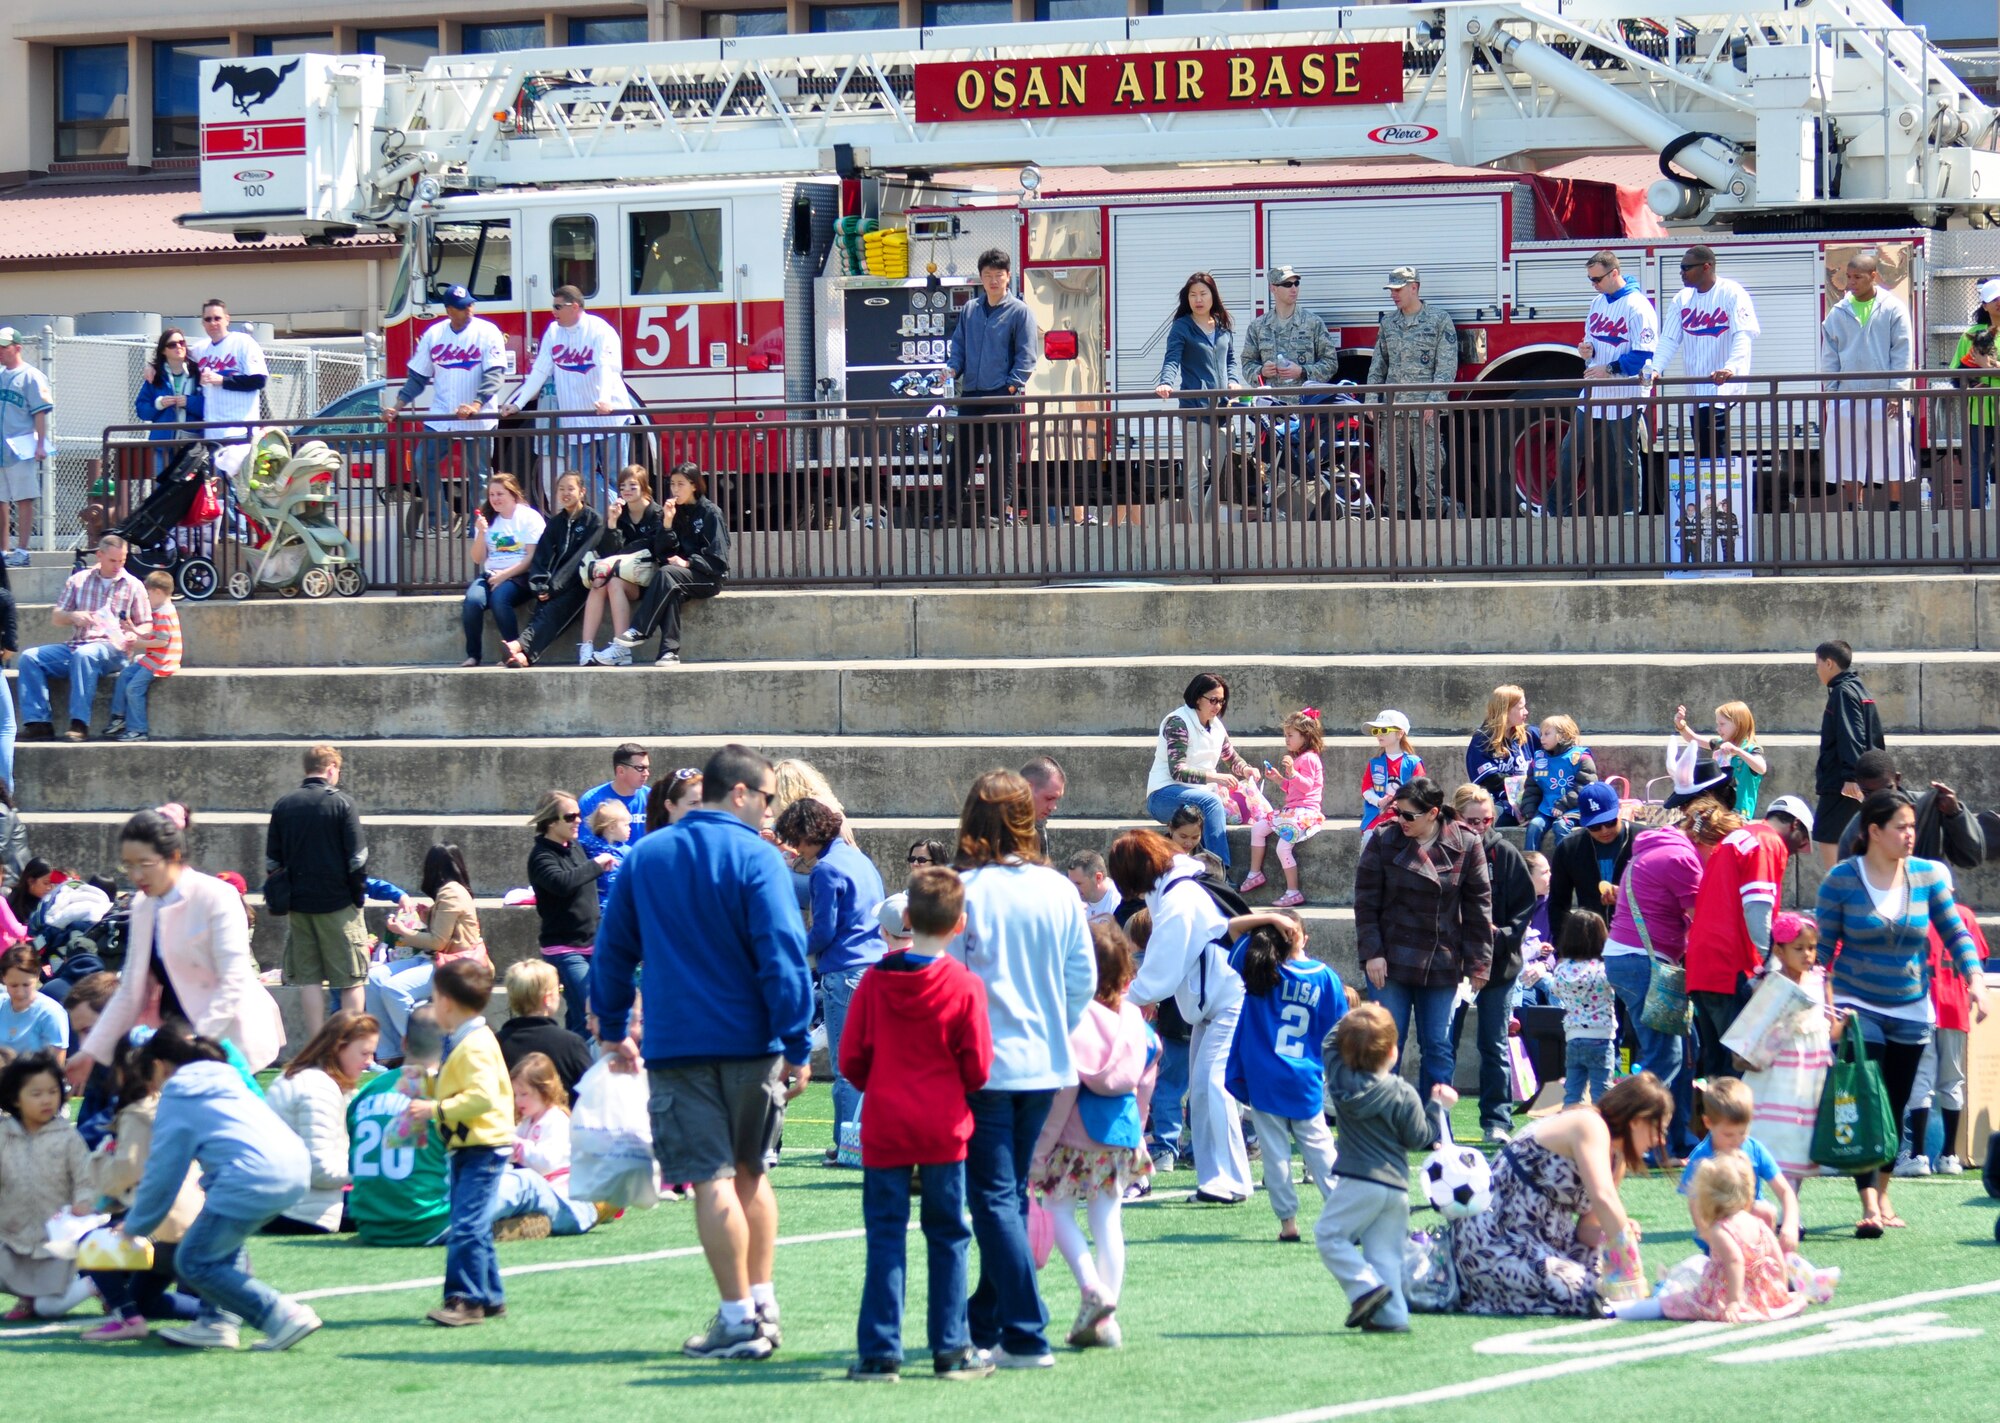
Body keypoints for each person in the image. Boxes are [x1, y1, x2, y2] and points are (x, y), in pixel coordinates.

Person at [591, 744, 814, 1362]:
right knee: (751, 1173)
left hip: (680, 1043)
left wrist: (611, 1026)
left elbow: (613, 952)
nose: (771, 811)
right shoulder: (758, 859)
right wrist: (797, 1041)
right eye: (767, 798)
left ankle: (739, 1316)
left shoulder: (648, 855)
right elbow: (782, 958)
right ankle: (759, 1304)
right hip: (752, 1045)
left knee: (713, 1179)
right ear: (739, 793)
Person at [943, 769, 1095, 1368]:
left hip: (986, 1065)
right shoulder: (1057, 888)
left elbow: (947, 983)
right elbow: (1082, 977)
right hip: (1045, 1064)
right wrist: (1052, 1024)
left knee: (994, 1200)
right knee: (1006, 1195)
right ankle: (986, 1319)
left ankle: (1026, 1330)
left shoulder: (965, 889)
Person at [840, 864, 994, 1383]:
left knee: (884, 1235)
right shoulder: (964, 984)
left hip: (885, 1122)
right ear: (960, 925)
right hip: (943, 1125)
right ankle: (950, 1348)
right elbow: (977, 1066)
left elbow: (851, 1059)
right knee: (949, 1235)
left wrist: (882, 1084)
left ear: (905, 918)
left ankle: (880, 1352)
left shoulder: (875, 981)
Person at [1815, 788, 1990, 1237]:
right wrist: (1824, 1005)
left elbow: (1956, 933)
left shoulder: (1927, 877)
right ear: (1874, 831)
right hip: (1857, 1006)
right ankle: (1869, 1201)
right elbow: (1820, 953)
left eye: (1913, 826)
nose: (1911, 835)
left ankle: (1885, 1189)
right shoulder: (1842, 879)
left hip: (1913, 1007)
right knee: (1868, 1102)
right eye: (1901, 827)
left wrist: (1976, 980)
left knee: (1893, 1106)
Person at [1116, 828, 1294, 1204]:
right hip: (1213, 1000)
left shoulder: (1181, 896)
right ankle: (1215, 1179)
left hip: (1229, 996)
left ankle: (1232, 1181)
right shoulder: (1177, 885)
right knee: (1201, 1090)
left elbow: (1162, 968)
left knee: (1216, 1087)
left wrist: (1126, 999)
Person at [121, 1022, 319, 1350]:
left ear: (158, 1065)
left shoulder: (179, 1092)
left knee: (193, 1261)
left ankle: (282, 1315)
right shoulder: (227, 1079)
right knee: (226, 1242)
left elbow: (163, 1173)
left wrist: (135, 1226)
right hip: (295, 1167)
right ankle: (217, 1322)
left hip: (251, 1176)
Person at [71, 810, 284, 1091]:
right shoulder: (143, 905)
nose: (135, 876)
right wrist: (91, 1052)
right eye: (128, 866)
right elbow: (131, 990)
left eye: (144, 864)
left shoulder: (217, 896)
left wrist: (195, 1042)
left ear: (173, 856)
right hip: (173, 1040)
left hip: (227, 1040)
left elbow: (233, 982)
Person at [1029, 920, 1157, 1351]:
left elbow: (1065, 1089)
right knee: (1108, 1221)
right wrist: (1138, 1132)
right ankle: (1108, 1319)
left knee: (1058, 1209)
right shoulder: (1135, 1018)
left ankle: (1091, 1289)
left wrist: (1041, 1150)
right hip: (1120, 1132)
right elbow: (1145, 1082)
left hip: (1073, 1136)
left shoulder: (1075, 1018)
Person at [1453, 1073, 1671, 1316]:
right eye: (1658, 1130)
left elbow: (1586, 1231)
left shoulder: (1616, 1157)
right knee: (1590, 1293)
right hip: (1497, 1239)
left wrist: (1614, 1230)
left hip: (1545, 1243)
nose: (1660, 1140)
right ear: (1637, 1120)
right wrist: (1626, 1248)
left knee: (1602, 1280)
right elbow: (1603, 1197)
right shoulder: (1590, 1125)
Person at [1352, 776, 1493, 1100]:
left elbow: (1479, 907)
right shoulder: (1383, 840)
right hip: (1389, 959)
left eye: (1408, 815)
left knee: (1438, 1046)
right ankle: (1383, 1122)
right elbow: (1365, 901)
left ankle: (1436, 1126)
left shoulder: (1468, 843)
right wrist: (1372, 952)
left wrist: (1478, 964)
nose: (1400, 820)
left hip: (1441, 960)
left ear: (1432, 813)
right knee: (1386, 1045)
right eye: (1397, 812)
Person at [1316, 1005, 1451, 1334]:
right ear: (1394, 1051)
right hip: (1396, 1187)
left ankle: (1365, 1287)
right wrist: (1438, 1107)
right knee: (1385, 1254)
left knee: (1329, 1235)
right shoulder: (1404, 1092)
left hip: (1359, 1181)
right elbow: (1419, 1137)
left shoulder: (1339, 1079)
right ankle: (1392, 1317)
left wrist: (1355, 1016)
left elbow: (1328, 1045)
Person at [771, 796, 885, 1163]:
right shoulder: (857, 858)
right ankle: (870, 1139)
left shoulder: (826, 869)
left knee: (847, 1068)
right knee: (871, 1063)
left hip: (844, 972)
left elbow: (822, 933)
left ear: (808, 835)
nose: (798, 850)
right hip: (874, 969)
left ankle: (847, 1146)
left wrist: (786, 950)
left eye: (797, 841)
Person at [401, 958, 514, 1327]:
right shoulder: (464, 1040)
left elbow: (481, 1097)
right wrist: (431, 1082)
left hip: (483, 1146)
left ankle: (465, 1301)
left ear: (446, 1002)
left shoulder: (474, 1044)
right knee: (474, 1223)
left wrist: (436, 1108)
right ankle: (491, 1296)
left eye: (433, 998)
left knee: (465, 1224)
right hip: (472, 1144)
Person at [80, 1029, 205, 1340]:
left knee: (90, 1243)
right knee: (146, 1298)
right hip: (196, 1217)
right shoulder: (174, 1103)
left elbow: (129, 1170)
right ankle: (215, 1309)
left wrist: (99, 1162)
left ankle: (128, 1320)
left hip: (163, 1224)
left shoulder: (138, 1112)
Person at [1225, 918, 1342, 1243]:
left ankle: (1288, 1223)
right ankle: (1345, 1215)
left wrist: (1272, 919)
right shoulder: (1326, 978)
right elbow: (1339, 1030)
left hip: (1264, 1077)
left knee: (1275, 1155)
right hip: (1304, 1077)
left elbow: (1233, 927)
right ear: (1305, 936)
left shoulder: (1261, 970)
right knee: (1321, 1150)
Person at [1684, 800, 1813, 1077]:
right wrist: (1773, 963)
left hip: (1702, 965)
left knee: (1715, 1071)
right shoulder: (1768, 842)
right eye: (1801, 842)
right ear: (1794, 826)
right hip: (1730, 967)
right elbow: (1758, 908)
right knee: (1740, 1071)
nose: (1795, 852)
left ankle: (1711, 1121)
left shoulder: (1738, 838)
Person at [265, 744, 369, 1039]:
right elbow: (357, 859)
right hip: (337, 904)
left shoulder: (284, 804)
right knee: (350, 979)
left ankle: (316, 1045)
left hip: (299, 905)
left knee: (309, 980)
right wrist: (356, 896)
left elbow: (272, 860)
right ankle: (349, 1044)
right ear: (331, 768)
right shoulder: (342, 804)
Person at [1454, 783, 1538, 1144]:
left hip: (1499, 965)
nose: (1480, 826)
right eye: (1472, 820)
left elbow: (1524, 907)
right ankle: (1431, 1119)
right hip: (1454, 965)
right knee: (1443, 1043)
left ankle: (1497, 1120)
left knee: (1494, 1044)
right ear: (1457, 817)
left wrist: (1500, 934)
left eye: (1487, 819)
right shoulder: (1444, 851)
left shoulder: (1504, 852)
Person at [388, 282, 509, 532]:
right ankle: (441, 516)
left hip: (478, 417)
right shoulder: (434, 334)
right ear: (449, 310)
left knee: (480, 475)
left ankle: (480, 524)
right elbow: (418, 377)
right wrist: (397, 406)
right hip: (442, 416)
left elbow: (495, 374)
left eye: (470, 305)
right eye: (463, 307)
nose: (469, 310)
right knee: (423, 461)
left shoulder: (487, 331)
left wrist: (476, 403)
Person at [502, 284, 633, 501]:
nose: (553, 311)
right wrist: (518, 403)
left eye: (557, 306)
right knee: (583, 479)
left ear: (574, 307)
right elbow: (540, 371)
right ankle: (612, 518)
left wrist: (603, 399)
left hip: (610, 418)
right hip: (577, 422)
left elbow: (606, 367)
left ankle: (616, 527)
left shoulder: (600, 329)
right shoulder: (553, 332)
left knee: (617, 477)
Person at [18, 534, 150, 744]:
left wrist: (134, 633)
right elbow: (57, 617)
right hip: (77, 645)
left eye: (122, 560)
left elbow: (147, 623)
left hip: (113, 649)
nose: (118, 566)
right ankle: (38, 723)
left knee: (85, 654)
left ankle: (79, 723)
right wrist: (73, 616)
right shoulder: (78, 580)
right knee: (30, 657)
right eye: (113, 560)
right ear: (99, 555)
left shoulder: (134, 585)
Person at [1557, 252, 1657, 516]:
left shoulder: (1638, 306)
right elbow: (1591, 339)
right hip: (1594, 390)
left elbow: (1644, 354)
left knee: (1624, 455)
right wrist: (1585, 348)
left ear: (1614, 273)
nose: (1594, 285)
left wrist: (1610, 368)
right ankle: (1555, 508)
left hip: (1626, 391)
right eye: (1590, 280)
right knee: (1570, 449)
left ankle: (1629, 512)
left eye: (1597, 279)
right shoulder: (1597, 302)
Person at [261, 1010, 379, 1234]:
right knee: (397, 1204)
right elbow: (321, 1170)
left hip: (281, 1205)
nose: (369, 1063)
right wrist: (374, 1173)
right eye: (365, 1053)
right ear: (338, 1047)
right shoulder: (318, 1089)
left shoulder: (311, 1079)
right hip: (299, 1213)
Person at [1742, 913, 1838, 1185]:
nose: (1807, 954)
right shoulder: (1768, 982)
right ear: (1779, 951)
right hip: (1777, 1069)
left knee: (1800, 1136)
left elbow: (1831, 1027)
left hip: (1812, 1071)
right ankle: (1759, 1202)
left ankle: (1790, 1210)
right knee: (1772, 1131)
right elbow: (1754, 1027)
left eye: (1812, 947)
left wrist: (1850, 1021)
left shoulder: (1820, 980)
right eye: (1799, 948)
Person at [368, 843, 486, 1063]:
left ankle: (424, 1050)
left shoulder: (451, 893)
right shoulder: (451, 890)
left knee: (394, 990)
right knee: (375, 978)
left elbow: (438, 942)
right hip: (436, 958)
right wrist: (427, 918)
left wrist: (403, 932)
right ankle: (389, 1054)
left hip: (453, 966)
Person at [601, 463, 728, 667]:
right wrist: (667, 524)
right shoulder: (674, 512)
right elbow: (663, 553)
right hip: (678, 576)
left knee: (668, 575)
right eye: (672, 484)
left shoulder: (710, 512)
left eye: (681, 484)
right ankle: (669, 652)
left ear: (694, 485)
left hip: (708, 576)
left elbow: (718, 559)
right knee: (670, 585)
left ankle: (640, 630)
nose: (675, 490)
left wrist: (688, 562)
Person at [946, 247, 1038, 527]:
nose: (994, 281)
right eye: (988, 275)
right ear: (981, 279)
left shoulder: (1020, 311)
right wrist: (952, 368)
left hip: (1001, 395)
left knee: (1002, 460)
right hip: (971, 395)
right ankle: (949, 513)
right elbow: (959, 346)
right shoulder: (971, 310)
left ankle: (998, 513)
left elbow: (1027, 354)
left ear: (1008, 277)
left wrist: (1012, 386)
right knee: (959, 458)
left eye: (999, 275)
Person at [345, 1008, 451, 1249]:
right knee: (523, 1183)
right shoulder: (447, 1094)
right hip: (430, 1223)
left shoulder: (368, 1091)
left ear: (404, 1043)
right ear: (445, 1047)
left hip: (369, 1224)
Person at [0, 1050, 92, 1320]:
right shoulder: (3, 1135)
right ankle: (26, 1296)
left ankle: (95, 1285)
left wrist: (84, 1201)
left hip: (57, 1244)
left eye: (52, 1092)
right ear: (15, 1097)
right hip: (12, 1237)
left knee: (48, 1308)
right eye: (36, 1093)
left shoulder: (68, 1137)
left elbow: (86, 1177)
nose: (47, 1100)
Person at [1645, 245, 1760, 460]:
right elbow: (1669, 339)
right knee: (1703, 445)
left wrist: (1730, 367)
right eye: (1681, 268)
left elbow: (1743, 335)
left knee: (1714, 446)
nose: (1681, 273)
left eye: (1686, 268)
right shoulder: (1682, 299)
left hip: (1722, 385)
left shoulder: (1732, 292)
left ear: (1706, 267)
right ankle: (1711, 492)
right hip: (1696, 386)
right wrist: (1656, 368)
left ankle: (1719, 492)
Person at [1821, 250, 1916, 508]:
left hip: (1885, 393)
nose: (1851, 283)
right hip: (1846, 394)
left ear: (1873, 276)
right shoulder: (1838, 311)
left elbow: (1903, 351)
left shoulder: (1893, 307)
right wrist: (1831, 393)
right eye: (1849, 277)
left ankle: (1895, 508)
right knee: (1848, 454)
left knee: (1893, 451)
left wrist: (1897, 391)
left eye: (1857, 277)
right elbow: (1829, 355)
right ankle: (1856, 508)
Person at [1663, 1154, 1805, 1323]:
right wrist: (1780, 1292)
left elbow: (1735, 1262)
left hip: (1729, 1294)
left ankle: (1632, 1305)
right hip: (1763, 1296)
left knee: (1675, 1301)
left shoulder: (1721, 1229)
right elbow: (1778, 1259)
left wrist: (1733, 1303)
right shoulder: (1758, 1223)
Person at [1366, 265, 1459, 518]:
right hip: (1393, 411)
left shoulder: (1438, 320)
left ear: (1414, 287)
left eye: (1398, 289)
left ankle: (1431, 522)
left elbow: (1447, 366)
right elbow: (1378, 366)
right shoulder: (1388, 323)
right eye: (1391, 290)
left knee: (1429, 468)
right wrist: (1372, 398)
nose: (1393, 295)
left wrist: (1434, 401)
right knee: (1392, 470)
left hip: (1424, 411)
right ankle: (1394, 524)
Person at [1145, 672, 1257, 873]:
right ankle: (1219, 873)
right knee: (1212, 803)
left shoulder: (1216, 726)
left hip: (1200, 795)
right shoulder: (1178, 722)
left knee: (1222, 808)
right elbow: (1177, 771)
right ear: (1197, 698)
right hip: (1163, 794)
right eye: (1213, 700)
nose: (1218, 706)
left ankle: (1204, 871)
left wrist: (1246, 769)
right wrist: (1215, 777)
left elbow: (1230, 757)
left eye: (1221, 701)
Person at [1677, 1076, 1802, 1256]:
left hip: (1752, 1231)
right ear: (1708, 1123)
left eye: (1742, 1132)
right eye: (1728, 1134)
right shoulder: (1701, 1157)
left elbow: (1785, 1192)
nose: (1736, 1140)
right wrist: (1715, 1241)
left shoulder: (1754, 1149)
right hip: (1717, 1236)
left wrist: (1790, 1224)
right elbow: (1696, 1208)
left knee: (1764, 1211)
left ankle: (1772, 1267)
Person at [1154, 272, 1243, 519]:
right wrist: (1165, 383)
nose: (1198, 299)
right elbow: (1172, 358)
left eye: (1203, 294)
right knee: (1197, 473)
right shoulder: (1182, 326)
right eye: (1193, 295)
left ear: (1213, 296)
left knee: (1224, 472)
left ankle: (1206, 522)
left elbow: (1231, 360)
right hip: (1195, 409)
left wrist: (1234, 381)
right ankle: (1200, 529)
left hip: (1224, 408)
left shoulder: (1223, 325)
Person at [527, 790, 613, 1038]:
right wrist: (595, 865)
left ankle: (572, 1070)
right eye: (570, 816)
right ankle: (580, 1068)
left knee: (578, 1016)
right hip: (565, 949)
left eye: (578, 814)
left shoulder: (574, 847)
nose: (578, 820)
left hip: (592, 944)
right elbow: (562, 883)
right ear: (551, 822)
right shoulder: (541, 856)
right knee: (590, 1008)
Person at [500, 471, 605, 667]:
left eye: (570, 489)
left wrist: (555, 586)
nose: (565, 493)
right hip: (554, 584)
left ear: (582, 492)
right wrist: (539, 584)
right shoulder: (556, 523)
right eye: (561, 489)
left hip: (581, 582)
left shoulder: (594, 521)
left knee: (556, 608)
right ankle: (524, 657)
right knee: (542, 611)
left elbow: (580, 557)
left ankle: (517, 646)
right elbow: (542, 556)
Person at [1833, 749, 1985, 869]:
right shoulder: (1855, 831)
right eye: (1869, 794)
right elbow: (1845, 883)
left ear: (1897, 780)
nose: (1880, 799)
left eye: (1886, 789)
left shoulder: (1928, 809)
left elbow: (1971, 859)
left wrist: (1955, 814)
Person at [579, 466, 665, 664]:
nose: (626, 490)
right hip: (620, 575)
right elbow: (608, 552)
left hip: (647, 578)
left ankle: (621, 649)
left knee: (613, 581)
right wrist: (612, 523)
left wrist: (621, 556)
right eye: (622, 486)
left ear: (644, 488)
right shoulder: (620, 514)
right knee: (601, 581)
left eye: (632, 485)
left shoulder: (656, 513)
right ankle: (586, 646)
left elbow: (653, 547)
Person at [1242, 707, 1327, 906]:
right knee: (1258, 828)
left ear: (1305, 737)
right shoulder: (1300, 758)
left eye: (1290, 735)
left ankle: (1293, 891)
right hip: (1293, 810)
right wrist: (1279, 778)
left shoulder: (1309, 758)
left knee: (1282, 847)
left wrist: (1292, 772)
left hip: (1306, 812)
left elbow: (1306, 787)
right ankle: (1255, 873)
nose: (1286, 739)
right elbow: (1292, 789)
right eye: (1285, 735)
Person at [459, 473, 545, 667]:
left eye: (500, 494)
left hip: (519, 575)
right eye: (491, 494)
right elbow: (477, 558)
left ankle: (512, 651)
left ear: (513, 494)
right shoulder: (487, 518)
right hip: (491, 574)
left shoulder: (529, 517)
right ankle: (473, 655)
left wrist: (505, 575)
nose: (495, 499)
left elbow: (531, 557)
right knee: (472, 601)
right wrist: (481, 533)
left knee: (500, 599)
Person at [1813, 639, 1884, 869]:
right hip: (1862, 779)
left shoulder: (1843, 692)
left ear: (1830, 663)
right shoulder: (1859, 688)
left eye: (1818, 664)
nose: (1817, 670)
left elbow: (1851, 734)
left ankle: (1838, 894)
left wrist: (1851, 776)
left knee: (1828, 835)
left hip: (1842, 784)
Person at [187, 299, 269, 486]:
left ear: (227, 319)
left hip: (240, 431)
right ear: (202, 323)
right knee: (218, 492)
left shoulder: (243, 342)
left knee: (241, 490)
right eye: (208, 319)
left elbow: (258, 380)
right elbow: (173, 354)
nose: (213, 323)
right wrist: (152, 365)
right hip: (212, 433)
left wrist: (222, 380)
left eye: (217, 318)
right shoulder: (201, 348)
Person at [1546, 782, 1634, 949]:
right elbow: (1558, 904)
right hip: (1591, 944)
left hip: (1635, 940)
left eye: (1609, 822)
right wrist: (1562, 950)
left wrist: (1625, 896)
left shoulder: (1641, 840)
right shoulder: (1569, 848)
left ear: (1619, 812)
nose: (1604, 830)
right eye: (1594, 826)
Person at [496, 961, 594, 1099]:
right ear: (547, 999)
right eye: (559, 990)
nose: (560, 994)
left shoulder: (496, 1043)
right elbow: (591, 1092)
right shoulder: (571, 1044)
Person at [105, 569, 180, 743]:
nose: (147, 600)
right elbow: (155, 635)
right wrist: (134, 630)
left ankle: (138, 729)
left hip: (162, 661)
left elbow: (162, 642)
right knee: (125, 675)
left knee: (133, 689)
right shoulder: (161, 609)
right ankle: (118, 717)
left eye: (148, 595)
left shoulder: (164, 613)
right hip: (154, 657)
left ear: (158, 592)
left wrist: (138, 644)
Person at [1553, 913, 1616, 1106]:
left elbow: (1556, 991)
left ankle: (1568, 1131)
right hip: (1601, 1037)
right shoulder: (1604, 969)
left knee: (1572, 1091)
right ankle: (1603, 1132)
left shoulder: (1561, 969)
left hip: (1573, 1037)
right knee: (1601, 1094)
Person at [0, 327, 50, 569]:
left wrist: (40, 444)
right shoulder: (0, 376)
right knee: (1, 500)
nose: (0, 351)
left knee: (24, 498)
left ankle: (22, 549)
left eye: (4, 346)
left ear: (17, 347)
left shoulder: (31, 376)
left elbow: (40, 413)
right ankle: (3, 550)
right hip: (1, 447)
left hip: (20, 446)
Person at [1953, 277, 2000, 509]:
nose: (1999, 302)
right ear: (1984, 305)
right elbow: (1955, 374)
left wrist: (1987, 367)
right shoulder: (1970, 334)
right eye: (1994, 299)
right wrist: (1973, 383)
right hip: (1978, 413)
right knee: (1977, 466)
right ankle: (1979, 518)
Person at [1519, 714, 1598, 854]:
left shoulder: (1580, 758)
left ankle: (1567, 866)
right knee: (1534, 826)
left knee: (1561, 826)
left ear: (1563, 736)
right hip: (1547, 808)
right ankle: (1530, 867)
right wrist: (1529, 812)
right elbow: (1532, 788)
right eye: (1541, 734)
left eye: (1547, 734)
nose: (1541, 738)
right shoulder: (1539, 759)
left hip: (1574, 808)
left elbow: (1584, 787)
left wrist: (1563, 804)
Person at [1675, 700, 1766, 817]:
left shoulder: (1751, 750)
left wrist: (1738, 751)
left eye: (1722, 724)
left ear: (1739, 724)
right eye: (1717, 724)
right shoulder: (1720, 745)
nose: (1718, 729)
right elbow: (1692, 738)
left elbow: (1761, 768)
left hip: (1738, 815)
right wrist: (1681, 725)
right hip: (1717, 811)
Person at [1467, 684, 1534, 826]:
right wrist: (1529, 783)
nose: (1526, 712)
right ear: (1505, 710)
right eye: (1521, 708)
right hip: (1499, 802)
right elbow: (1493, 781)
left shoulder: (1529, 734)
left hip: (1531, 798)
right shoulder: (1482, 739)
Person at [135, 327, 205, 455]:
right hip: (161, 446)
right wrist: (159, 404)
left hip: (191, 446)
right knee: (160, 475)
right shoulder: (155, 376)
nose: (178, 347)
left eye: (181, 343)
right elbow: (141, 410)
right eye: (172, 345)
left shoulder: (198, 374)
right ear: (163, 350)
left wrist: (189, 402)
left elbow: (209, 405)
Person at [1358, 709, 1422, 838]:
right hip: (1377, 815)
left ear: (1400, 733)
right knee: (1369, 839)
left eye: (1384, 730)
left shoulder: (1413, 763)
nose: (1379, 735)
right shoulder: (1374, 763)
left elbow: (1420, 790)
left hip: (1405, 815)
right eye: (1376, 731)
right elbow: (1366, 789)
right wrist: (1379, 801)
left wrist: (1402, 803)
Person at [0, 944, 66, 1059]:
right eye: (13, 985)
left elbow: (57, 1067)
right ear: (4, 979)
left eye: (26, 985)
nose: (20, 993)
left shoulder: (51, 1013)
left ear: (37, 976)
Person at [580, 743, 653, 823]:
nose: (646, 773)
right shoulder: (591, 801)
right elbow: (586, 835)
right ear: (621, 771)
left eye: (647, 768)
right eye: (640, 768)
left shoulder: (653, 798)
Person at [1064, 851, 1121, 924]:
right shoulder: (1071, 902)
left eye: (1078, 883)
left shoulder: (1117, 904)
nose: (1074, 889)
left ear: (1098, 878)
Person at [646, 767, 704, 835]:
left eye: (704, 801)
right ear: (670, 806)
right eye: (693, 803)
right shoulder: (658, 842)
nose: (702, 808)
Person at [1020, 755, 1066, 836]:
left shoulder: (1038, 825)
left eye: (1056, 800)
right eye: (1049, 798)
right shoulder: (997, 831)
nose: (1053, 807)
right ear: (1027, 789)